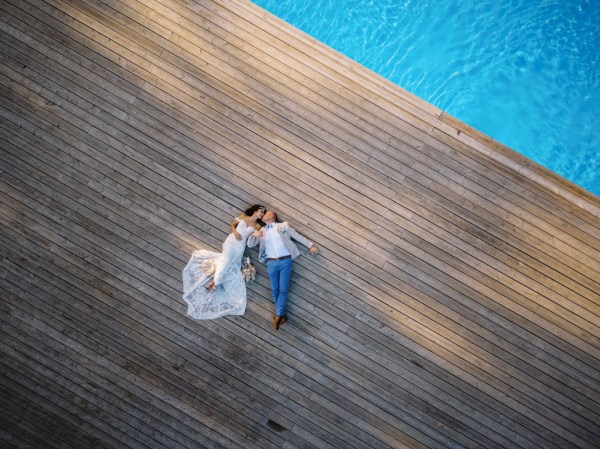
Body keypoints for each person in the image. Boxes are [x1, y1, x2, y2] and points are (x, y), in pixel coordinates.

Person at [182, 205, 265, 319]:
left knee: (230, 264)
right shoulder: (243, 216)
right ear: (255, 210)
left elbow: (254, 239)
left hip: (240, 247)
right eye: (261, 211)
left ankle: (213, 282)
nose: (262, 214)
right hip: (231, 242)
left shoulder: (257, 226)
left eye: (263, 213)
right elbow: (233, 225)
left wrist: (255, 234)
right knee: (226, 262)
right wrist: (235, 232)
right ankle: (216, 283)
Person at [247, 209, 318, 330]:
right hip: (271, 263)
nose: (263, 215)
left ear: (271, 216)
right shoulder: (261, 231)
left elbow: (297, 236)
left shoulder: (283, 226)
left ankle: (279, 315)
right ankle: (281, 315)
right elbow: (250, 245)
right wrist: (253, 234)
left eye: (266, 213)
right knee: (275, 290)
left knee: (283, 289)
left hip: (285, 261)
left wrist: (310, 245)